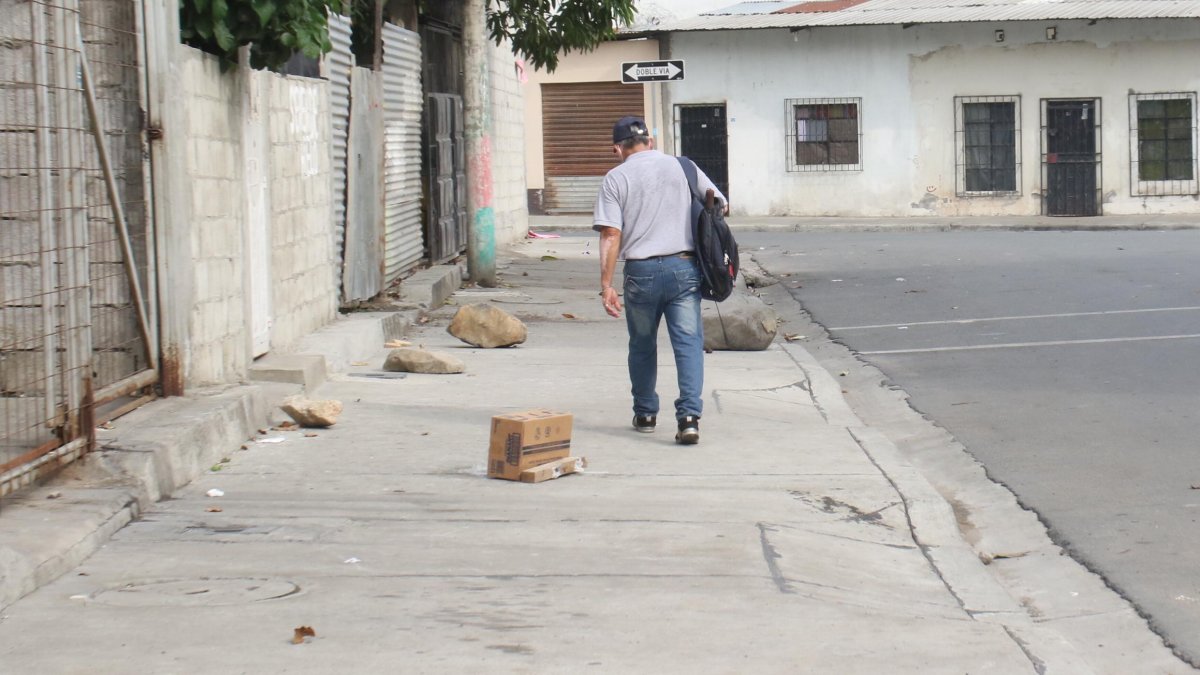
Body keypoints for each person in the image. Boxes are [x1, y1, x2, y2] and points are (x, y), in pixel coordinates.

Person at [593, 115, 727, 445]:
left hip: (641, 274)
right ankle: (689, 418)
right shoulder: (684, 167)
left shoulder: (615, 178)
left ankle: (646, 413)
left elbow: (611, 233)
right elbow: (720, 204)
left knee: (641, 344)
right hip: (684, 269)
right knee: (688, 344)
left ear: (617, 149)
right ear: (650, 142)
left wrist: (606, 285)